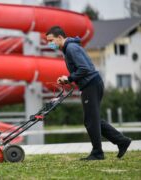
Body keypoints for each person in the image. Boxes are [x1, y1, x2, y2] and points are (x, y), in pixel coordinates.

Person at [46, 26, 132, 160]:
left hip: (91, 84)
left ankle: (98, 152)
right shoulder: (69, 48)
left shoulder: (71, 48)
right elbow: (82, 69)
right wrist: (68, 79)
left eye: (51, 40)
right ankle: (122, 141)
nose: (49, 44)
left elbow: (84, 69)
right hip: (91, 84)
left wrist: (69, 78)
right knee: (94, 119)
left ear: (60, 38)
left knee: (91, 120)